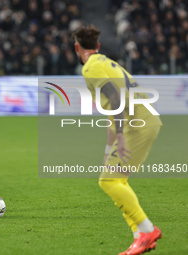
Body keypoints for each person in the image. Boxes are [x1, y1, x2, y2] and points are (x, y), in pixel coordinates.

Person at [73, 24, 162, 255]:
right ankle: (140, 236)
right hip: (144, 119)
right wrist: (107, 149)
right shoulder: (107, 63)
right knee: (116, 179)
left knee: (109, 181)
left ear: (76, 48)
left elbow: (114, 98)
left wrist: (121, 136)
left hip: (137, 123)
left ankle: (147, 229)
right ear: (98, 46)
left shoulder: (90, 68)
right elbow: (113, 112)